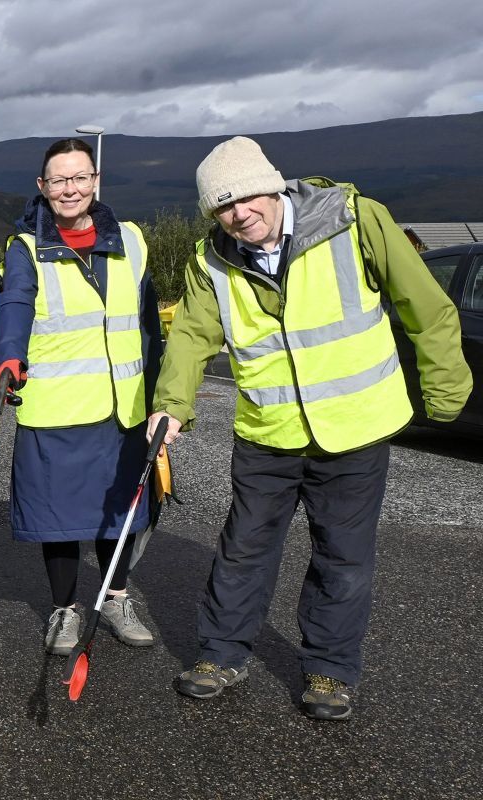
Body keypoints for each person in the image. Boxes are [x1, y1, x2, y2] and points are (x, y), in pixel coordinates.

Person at [151, 136, 472, 720]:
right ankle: (220, 654)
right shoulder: (211, 260)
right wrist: (172, 403)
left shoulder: (355, 219)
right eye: (222, 206)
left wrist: (446, 389)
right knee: (243, 550)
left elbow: (425, 306)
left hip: (353, 430)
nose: (239, 213)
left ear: (272, 184)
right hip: (266, 433)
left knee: (343, 557)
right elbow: (193, 336)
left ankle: (329, 670)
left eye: (247, 196)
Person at [0, 138, 163, 658]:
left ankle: (115, 597)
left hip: (123, 407)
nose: (70, 189)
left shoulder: (132, 240)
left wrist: (165, 394)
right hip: (57, 409)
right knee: (58, 517)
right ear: (43, 188)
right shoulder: (25, 247)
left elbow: (149, 321)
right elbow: (14, 303)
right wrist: (9, 355)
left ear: (95, 182)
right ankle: (64, 609)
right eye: (59, 180)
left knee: (120, 511)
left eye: (80, 177)